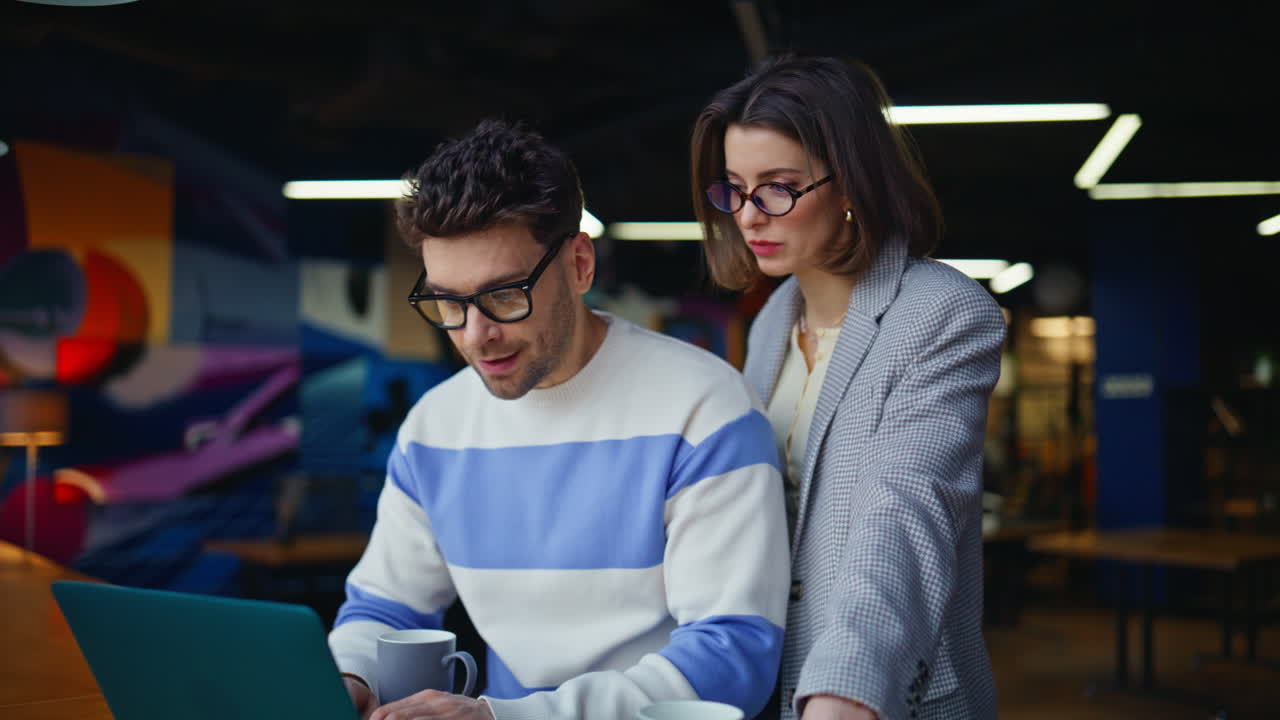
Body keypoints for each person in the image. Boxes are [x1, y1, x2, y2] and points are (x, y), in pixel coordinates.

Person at [329, 119, 790, 720]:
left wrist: (507, 717)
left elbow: (734, 656)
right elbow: (385, 609)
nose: (475, 335)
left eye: (503, 295)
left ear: (578, 264)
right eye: (447, 302)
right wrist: (348, 676)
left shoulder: (705, 410)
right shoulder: (433, 429)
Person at [690, 55, 1006, 720]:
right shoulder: (775, 319)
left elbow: (905, 512)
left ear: (853, 183)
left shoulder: (943, 313)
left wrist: (847, 688)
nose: (749, 216)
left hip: (877, 693)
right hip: (772, 686)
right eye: (734, 189)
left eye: (778, 187)